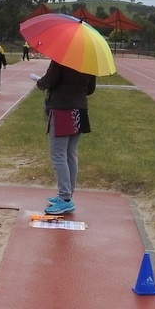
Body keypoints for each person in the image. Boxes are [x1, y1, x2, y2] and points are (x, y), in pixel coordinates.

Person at [33, 60, 96, 215]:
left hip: (62, 110)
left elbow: (48, 81)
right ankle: (67, 193)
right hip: (79, 110)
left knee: (58, 154)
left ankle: (65, 198)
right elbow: (90, 89)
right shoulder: (89, 60)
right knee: (70, 153)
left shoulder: (61, 58)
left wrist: (39, 81)